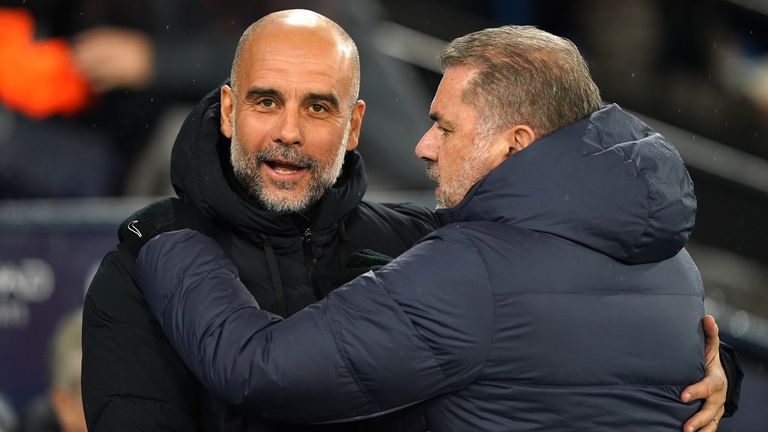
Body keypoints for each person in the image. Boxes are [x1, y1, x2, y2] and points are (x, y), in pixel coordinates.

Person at [82, 10, 738, 432]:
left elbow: (259, 370)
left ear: (353, 124)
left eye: (317, 106)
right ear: (227, 111)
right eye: (265, 101)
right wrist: (714, 369)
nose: (422, 145)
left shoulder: (450, 259)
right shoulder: (670, 268)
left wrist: (166, 242)